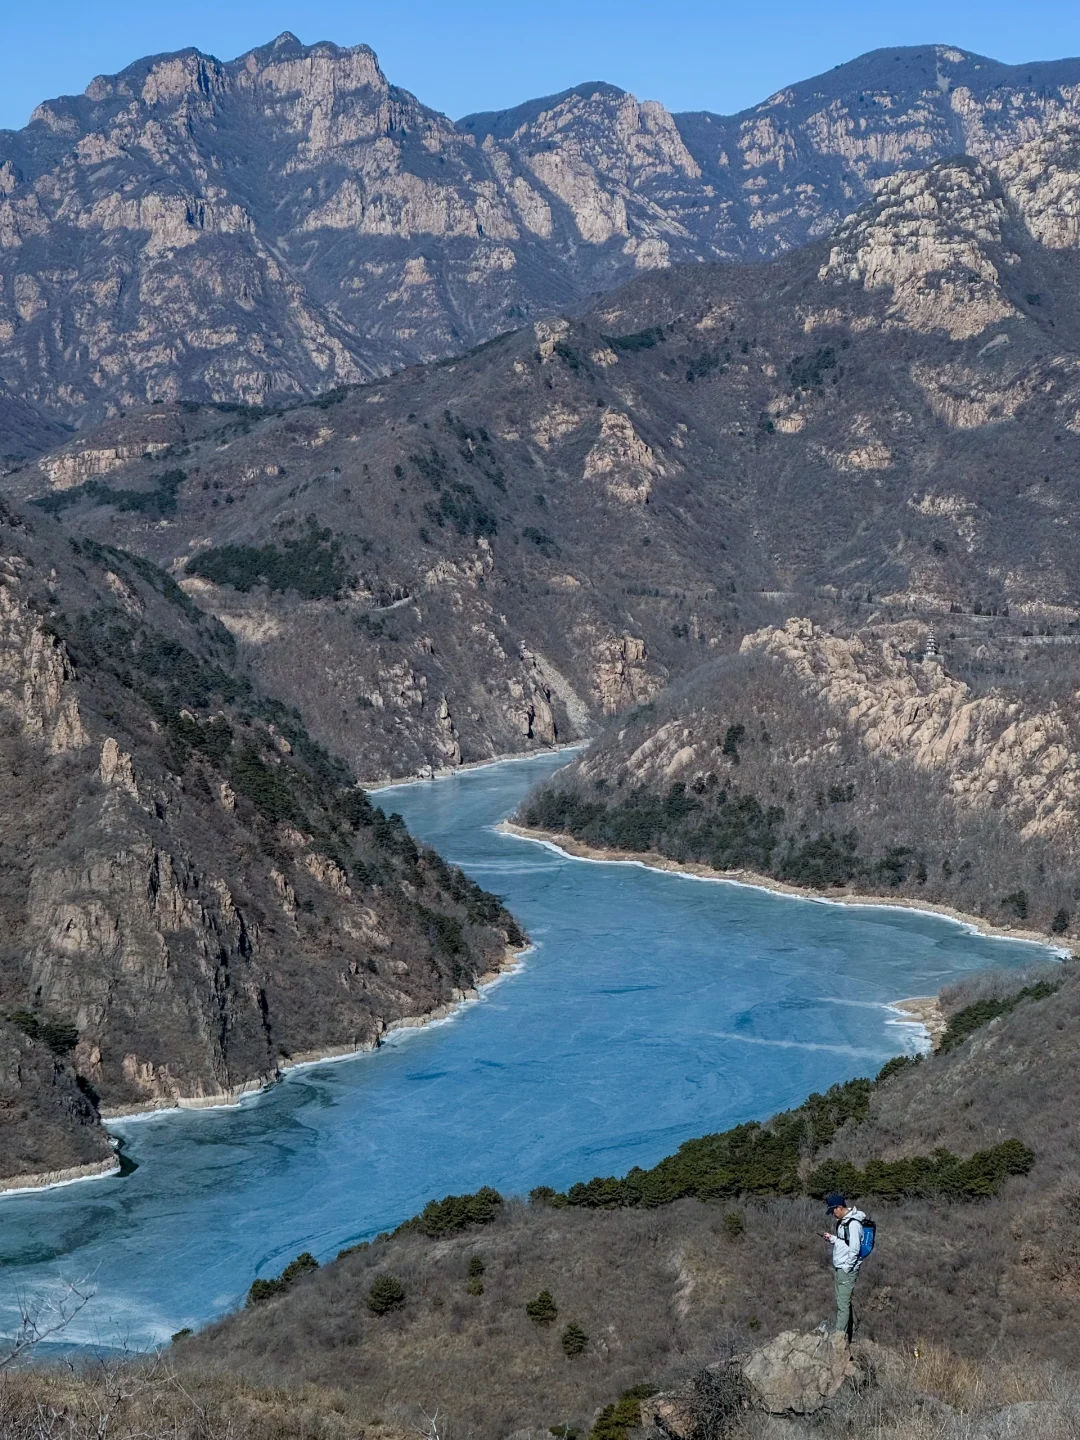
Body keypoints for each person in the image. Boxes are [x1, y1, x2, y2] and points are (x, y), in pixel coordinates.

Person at [822, 1192, 866, 1342]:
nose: (833, 1214)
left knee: (842, 1305)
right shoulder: (844, 1222)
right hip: (840, 1268)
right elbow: (845, 1242)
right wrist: (833, 1239)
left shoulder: (853, 1224)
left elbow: (854, 1249)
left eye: (833, 1211)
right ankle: (847, 1334)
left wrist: (847, 1267)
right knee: (844, 1302)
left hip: (846, 1270)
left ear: (839, 1208)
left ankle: (839, 1337)